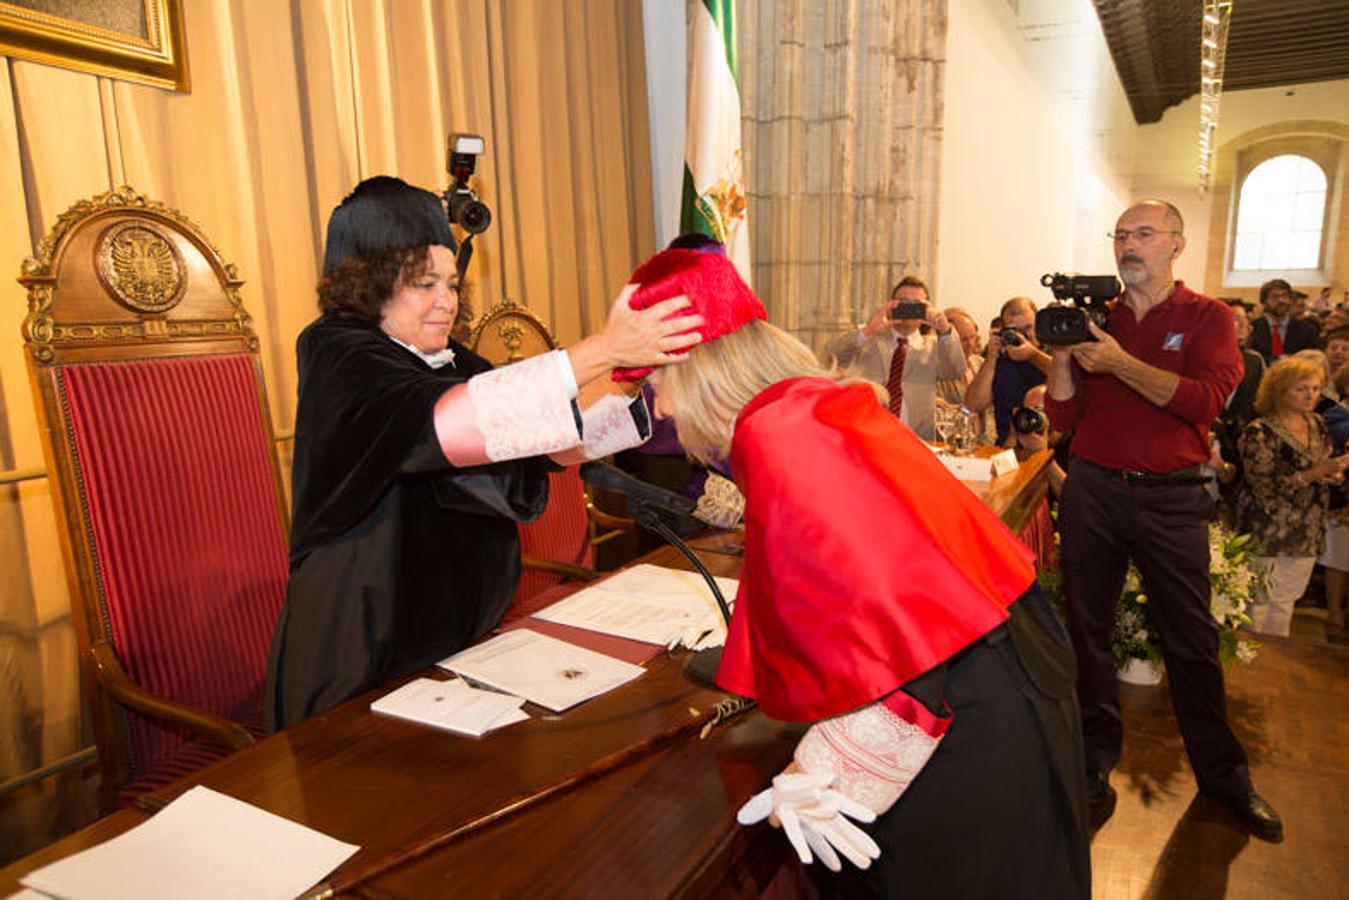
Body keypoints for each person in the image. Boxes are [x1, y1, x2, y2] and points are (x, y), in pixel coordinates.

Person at [632, 246, 1089, 899]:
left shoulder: (778, 429)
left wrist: (842, 766)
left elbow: (903, 612)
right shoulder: (807, 405)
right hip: (1000, 665)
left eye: (658, 385)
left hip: (963, 704)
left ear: (702, 372)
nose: (665, 409)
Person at [265, 177, 703, 729]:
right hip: (360, 658)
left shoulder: (448, 359)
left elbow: (538, 441)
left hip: (457, 653)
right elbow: (446, 424)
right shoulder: (337, 351)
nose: (446, 302)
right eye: (424, 283)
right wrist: (601, 349)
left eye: (451, 283)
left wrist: (634, 379)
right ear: (369, 283)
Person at [1044, 199, 1283, 841]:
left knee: (1190, 638)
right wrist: (1065, 356)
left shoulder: (1205, 317)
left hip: (1172, 497)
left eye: (1143, 234)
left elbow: (1204, 404)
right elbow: (1063, 421)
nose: (1129, 245)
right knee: (1087, 632)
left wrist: (1119, 362)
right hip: (1094, 488)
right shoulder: (1099, 319)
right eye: (1121, 235)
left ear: (1175, 245)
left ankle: (1225, 778)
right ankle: (1094, 763)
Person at [1234, 357, 1349, 636]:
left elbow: (1323, 464)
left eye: (1315, 388)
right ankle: (1252, 670)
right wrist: (1312, 473)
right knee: (1257, 604)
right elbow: (1262, 486)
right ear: (1279, 390)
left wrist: (1334, 474)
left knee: (1285, 603)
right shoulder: (1258, 430)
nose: (1311, 395)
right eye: (1301, 388)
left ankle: (1277, 671)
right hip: (1268, 529)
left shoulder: (1318, 424)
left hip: (1307, 528)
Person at [824, 276, 964, 440]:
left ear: (928, 308)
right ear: (890, 305)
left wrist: (944, 330)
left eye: (917, 304)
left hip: (915, 438)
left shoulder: (934, 347)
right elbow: (831, 357)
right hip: (866, 433)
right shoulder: (868, 339)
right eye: (903, 302)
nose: (909, 308)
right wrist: (868, 331)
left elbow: (955, 370)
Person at [964, 296, 1051, 444]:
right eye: (1016, 331)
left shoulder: (1054, 351)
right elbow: (973, 405)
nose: (1024, 336)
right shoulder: (1001, 361)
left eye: (1029, 328)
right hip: (1008, 449)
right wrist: (991, 358)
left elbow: (1067, 377)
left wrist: (1033, 355)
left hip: (1051, 449)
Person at [1249, 278, 1319, 362]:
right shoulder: (1252, 329)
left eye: (1285, 296)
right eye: (1275, 296)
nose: (1281, 300)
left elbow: (1312, 359)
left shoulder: (1307, 329)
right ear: (1264, 302)